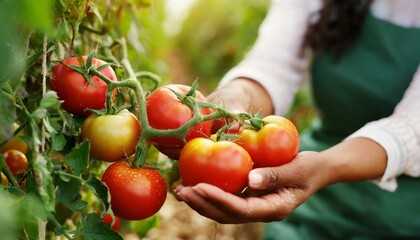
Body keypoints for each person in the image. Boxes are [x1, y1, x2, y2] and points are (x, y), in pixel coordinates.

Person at [174, 0, 420, 239]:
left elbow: (412, 128)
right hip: (314, 201)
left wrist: (325, 167)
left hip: (405, 216)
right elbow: (274, 66)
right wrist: (236, 97)